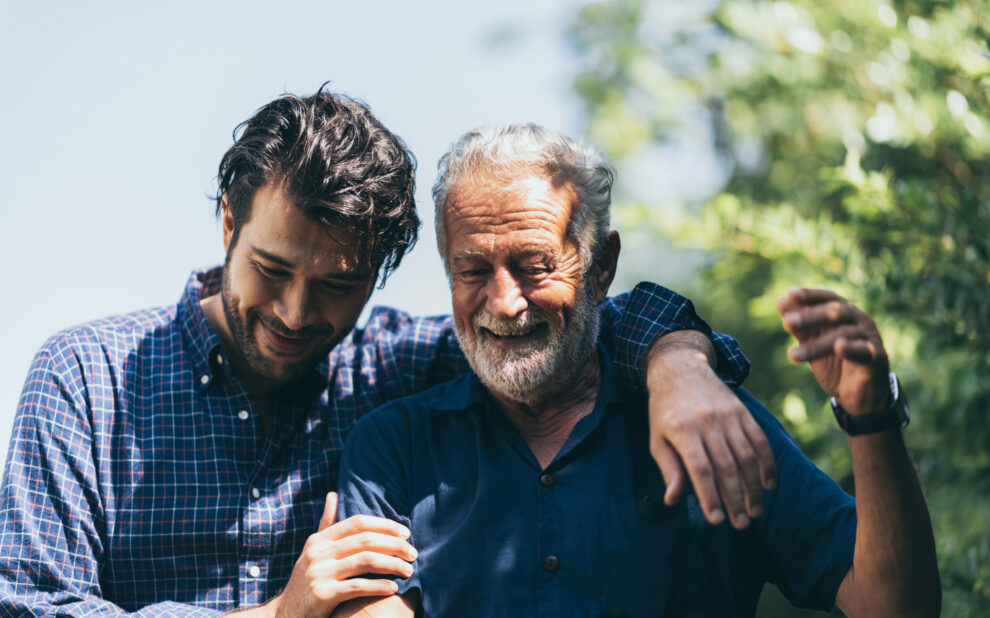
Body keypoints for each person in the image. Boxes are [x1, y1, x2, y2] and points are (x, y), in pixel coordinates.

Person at [0, 89, 775, 616]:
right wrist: (279, 613)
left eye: (338, 285)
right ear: (229, 226)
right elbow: (31, 607)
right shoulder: (83, 379)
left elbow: (568, 320)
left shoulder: (397, 366)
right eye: (272, 271)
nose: (297, 314)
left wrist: (679, 362)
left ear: (379, 276)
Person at [335, 124, 941, 617]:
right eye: (472, 271)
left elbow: (895, 605)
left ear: (602, 266)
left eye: (534, 265)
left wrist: (872, 414)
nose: (504, 302)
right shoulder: (394, 447)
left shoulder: (709, 417)